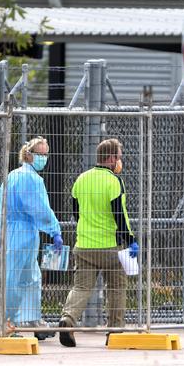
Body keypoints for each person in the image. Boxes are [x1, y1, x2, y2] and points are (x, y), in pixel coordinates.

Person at [59, 138, 138, 347]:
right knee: (117, 288)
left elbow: (75, 212)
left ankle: (67, 319)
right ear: (111, 158)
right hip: (111, 247)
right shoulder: (114, 181)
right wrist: (130, 240)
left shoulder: (81, 179)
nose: (120, 161)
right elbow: (120, 214)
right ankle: (114, 331)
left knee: (81, 287)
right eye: (119, 157)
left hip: (84, 245)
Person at [0, 137, 63, 340]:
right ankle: (8, 323)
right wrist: (54, 229)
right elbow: (38, 208)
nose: (44, 158)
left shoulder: (13, 175)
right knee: (15, 280)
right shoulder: (31, 179)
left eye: (46, 154)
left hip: (15, 232)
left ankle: (32, 319)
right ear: (29, 155)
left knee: (30, 277)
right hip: (22, 234)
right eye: (40, 154)